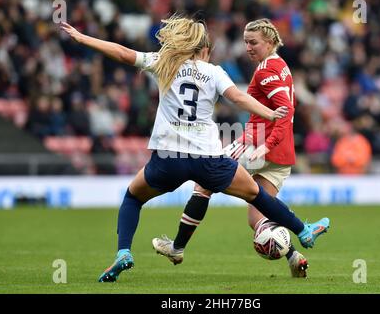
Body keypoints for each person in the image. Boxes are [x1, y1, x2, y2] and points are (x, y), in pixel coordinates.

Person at [60, 15, 329, 283]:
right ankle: (303, 231)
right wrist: (270, 116)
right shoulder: (214, 72)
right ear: (204, 49)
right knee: (257, 196)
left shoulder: (163, 63)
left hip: (168, 159)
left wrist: (83, 38)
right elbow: (238, 98)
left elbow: (121, 53)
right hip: (208, 159)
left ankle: (124, 253)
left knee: (133, 198)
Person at [152, 19, 319, 278]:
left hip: (257, 144)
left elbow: (285, 110)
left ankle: (177, 247)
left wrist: (265, 146)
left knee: (203, 186)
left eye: (253, 42)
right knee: (258, 217)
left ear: (270, 42)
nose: (248, 48)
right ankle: (294, 255)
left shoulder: (265, 71)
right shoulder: (281, 66)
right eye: (245, 42)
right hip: (282, 153)